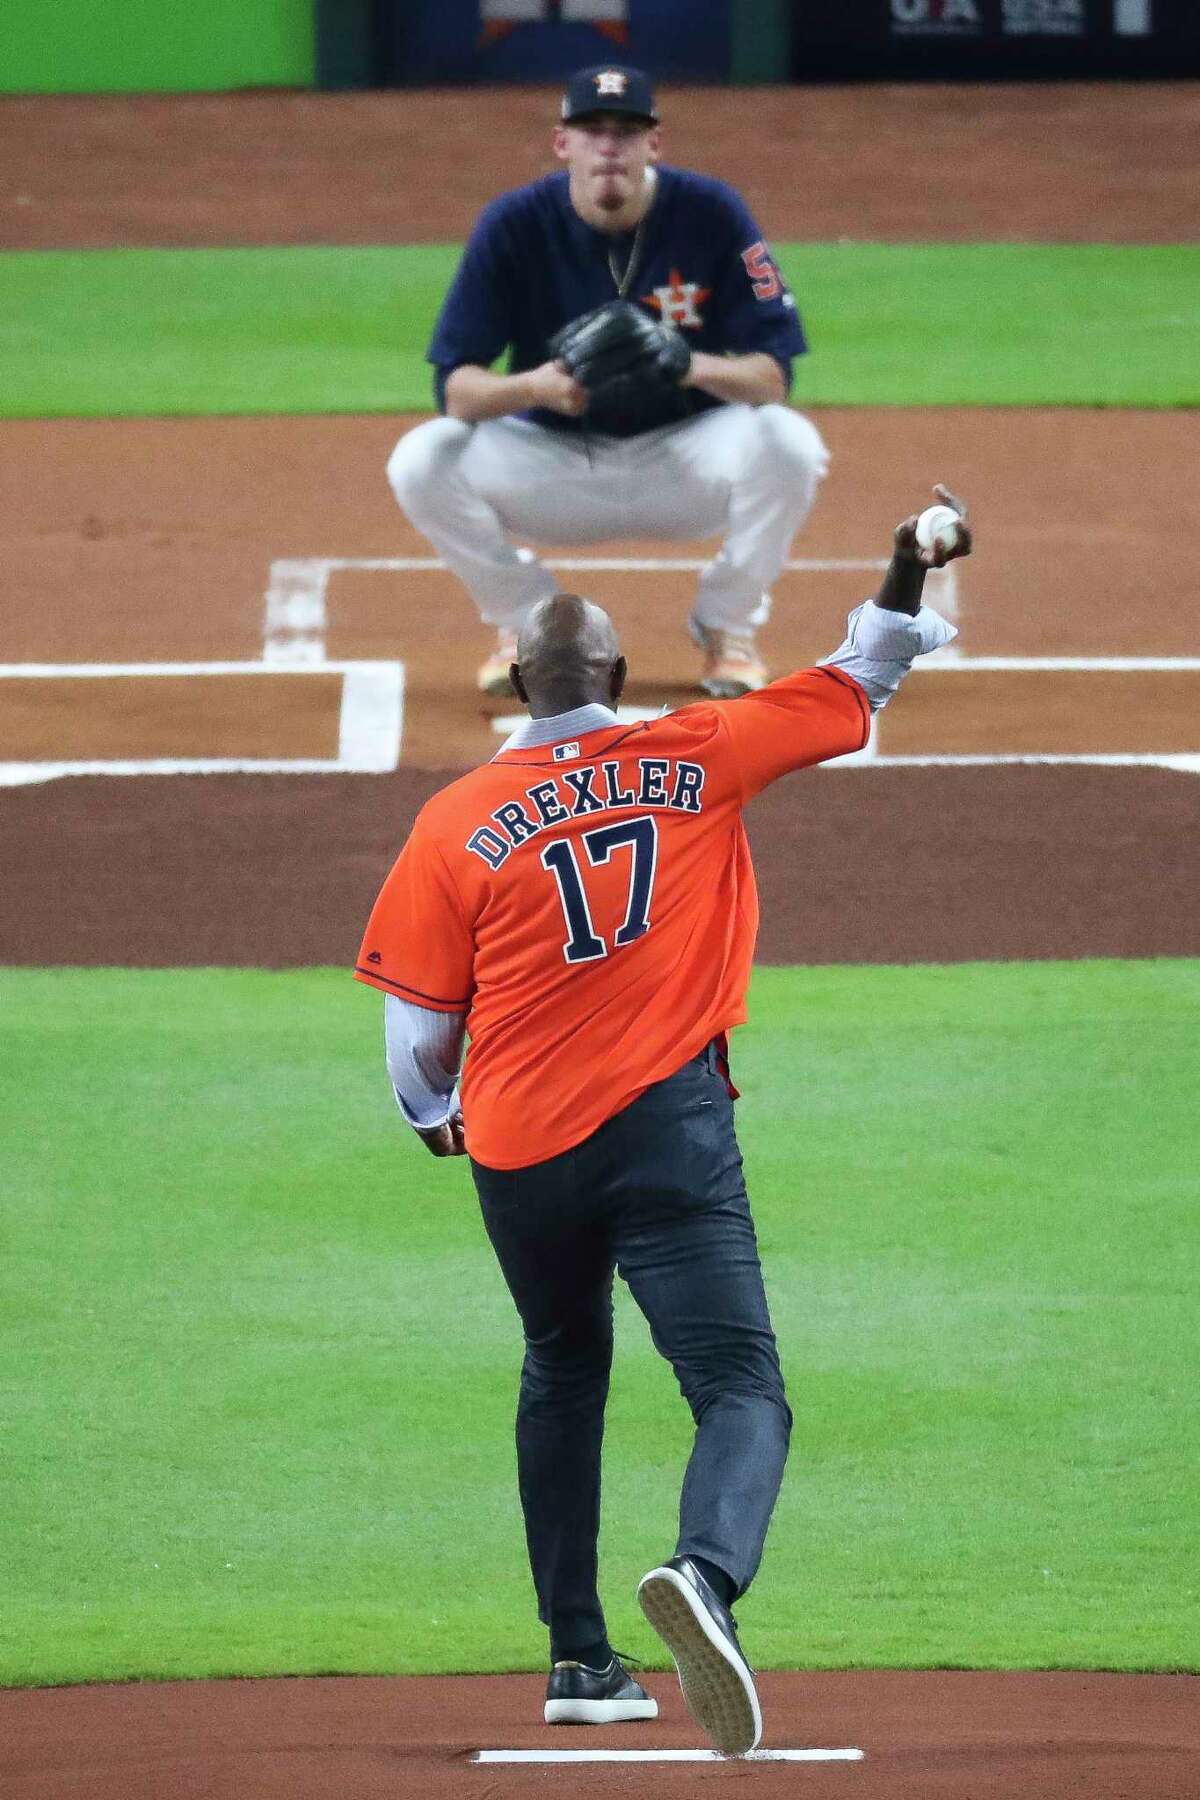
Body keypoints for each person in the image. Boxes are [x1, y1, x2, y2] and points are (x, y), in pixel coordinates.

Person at [354, 489, 972, 1755]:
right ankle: (706, 1578)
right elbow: (869, 668)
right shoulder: (695, 750)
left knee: (562, 1365)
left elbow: (418, 1034)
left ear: (515, 683)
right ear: (620, 675)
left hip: (520, 1145)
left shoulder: (451, 822)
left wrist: (434, 1115)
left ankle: (578, 1658)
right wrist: (905, 556)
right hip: (668, 1132)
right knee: (740, 1385)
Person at [386, 62, 827, 701]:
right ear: (563, 142)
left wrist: (687, 366)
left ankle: (727, 629)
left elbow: (773, 378)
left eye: (627, 129)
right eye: (593, 130)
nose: (610, 145)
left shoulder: (713, 213)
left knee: (790, 440)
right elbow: (458, 391)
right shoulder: (513, 223)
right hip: (555, 464)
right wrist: (537, 387)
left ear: (656, 142)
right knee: (421, 458)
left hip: (685, 457)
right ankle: (525, 625)